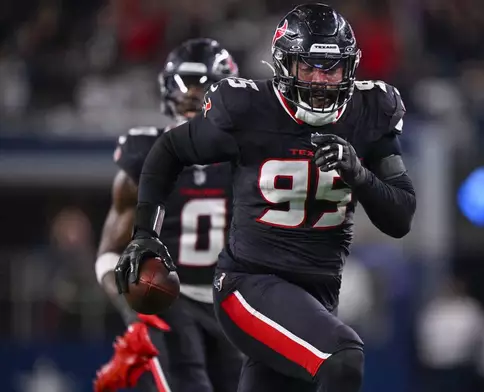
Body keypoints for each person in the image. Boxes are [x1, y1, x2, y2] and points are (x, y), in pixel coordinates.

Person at [115, 3, 416, 392]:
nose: (320, 81)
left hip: (317, 293)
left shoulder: (371, 110)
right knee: (342, 358)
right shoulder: (250, 108)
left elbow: (401, 217)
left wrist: (358, 174)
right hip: (248, 283)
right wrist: (145, 233)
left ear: (350, 69)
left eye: (331, 69)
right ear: (284, 66)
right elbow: (169, 150)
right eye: (307, 67)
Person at [93, 38, 242, 392]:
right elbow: (109, 252)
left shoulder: (252, 155)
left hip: (237, 300)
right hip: (172, 302)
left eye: (203, 84)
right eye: (183, 84)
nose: (191, 95)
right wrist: (131, 301)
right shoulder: (142, 154)